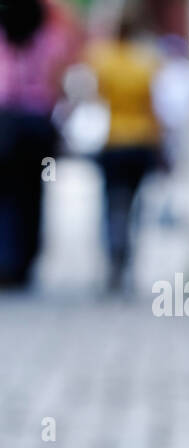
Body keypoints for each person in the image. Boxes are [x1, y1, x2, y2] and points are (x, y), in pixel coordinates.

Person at [0, 0, 81, 288]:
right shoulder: (50, 40)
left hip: (5, 124)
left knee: (5, 194)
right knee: (33, 194)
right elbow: (59, 87)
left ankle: (6, 260)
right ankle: (24, 260)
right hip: (36, 125)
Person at [87, 12, 162, 291]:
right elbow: (153, 106)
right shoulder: (146, 63)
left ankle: (114, 253)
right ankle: (128, 253)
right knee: (135, 203)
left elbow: (95, 97)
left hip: (113, 139)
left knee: (112, 202)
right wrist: (160, 141)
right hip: (141, 139)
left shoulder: (102, 61)